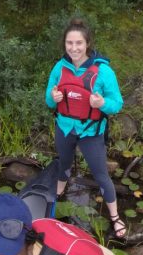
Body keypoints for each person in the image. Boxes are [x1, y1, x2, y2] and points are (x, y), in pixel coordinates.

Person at [46, 18, 125, 239]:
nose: (74, 48)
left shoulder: (103, 71)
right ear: (64, 44)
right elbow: (48, 100)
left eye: (78, 43)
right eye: (69, 43)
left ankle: (115, 216)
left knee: (101, 175)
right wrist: (53, 98)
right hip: (64, 127)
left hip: (91, 132)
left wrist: (102, 105)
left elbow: (117, 103)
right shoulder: (59, 68)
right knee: (63, 163)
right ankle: (59, 190)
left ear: (87, 43)